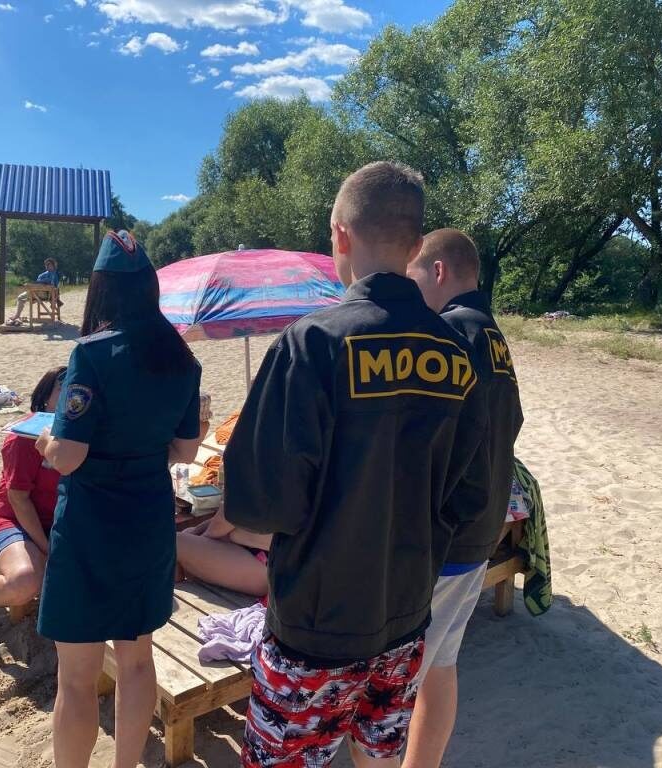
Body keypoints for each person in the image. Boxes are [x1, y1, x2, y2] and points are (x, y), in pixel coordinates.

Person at [223, 162, 489, 768]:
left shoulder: (313, 342)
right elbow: (470, 496)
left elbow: (260, 505)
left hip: (316, 625)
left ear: (339, 235)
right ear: (416, 247)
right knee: (379, 754)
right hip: (406, 616)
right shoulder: (457, 353)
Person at [34, 230, 203, 768]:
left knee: (76, 679)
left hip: (90, 525)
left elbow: (69, 456)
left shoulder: (91, 354)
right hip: (149, 519)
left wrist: (46, 440)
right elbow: (184, 450)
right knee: (137, 662)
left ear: (100, 290)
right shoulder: (181, 358)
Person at [403, 229, 523, 768]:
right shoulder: (491, 334)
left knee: (403, 678)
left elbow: (426, 441)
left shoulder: (448, 332)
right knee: (441, 664)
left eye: (413, 277)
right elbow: (510, 423)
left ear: (438, 271)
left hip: (446, 537)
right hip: (482, 526)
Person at [0, 366, 67, 650]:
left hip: (61, 520)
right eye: (63, 390)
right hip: (14, 519)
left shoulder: (82, 436)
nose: (72, 398)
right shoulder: (24, 437)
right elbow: (18, 500)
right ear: (45, 397)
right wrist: (46, 547)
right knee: (25, 580)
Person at [176, 506, 271, 598]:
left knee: (175, 542)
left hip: (268, 571)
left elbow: (229, 514)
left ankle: (176, 590)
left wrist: (200, 541)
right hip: (269, 561)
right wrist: (196, 533)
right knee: (188, 534)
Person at [7, 257, 61, 325]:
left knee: (21, 297)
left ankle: (17, 315)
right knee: (21, 297)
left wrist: (55, 296)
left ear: (53, 265)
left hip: (45, 294)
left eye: (49, 265)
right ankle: (17, 315)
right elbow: (38, 282)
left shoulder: (55, 274)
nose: (47, 266)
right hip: (37, 292)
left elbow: (54, 286)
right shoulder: (43, 274)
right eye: (46, 265)